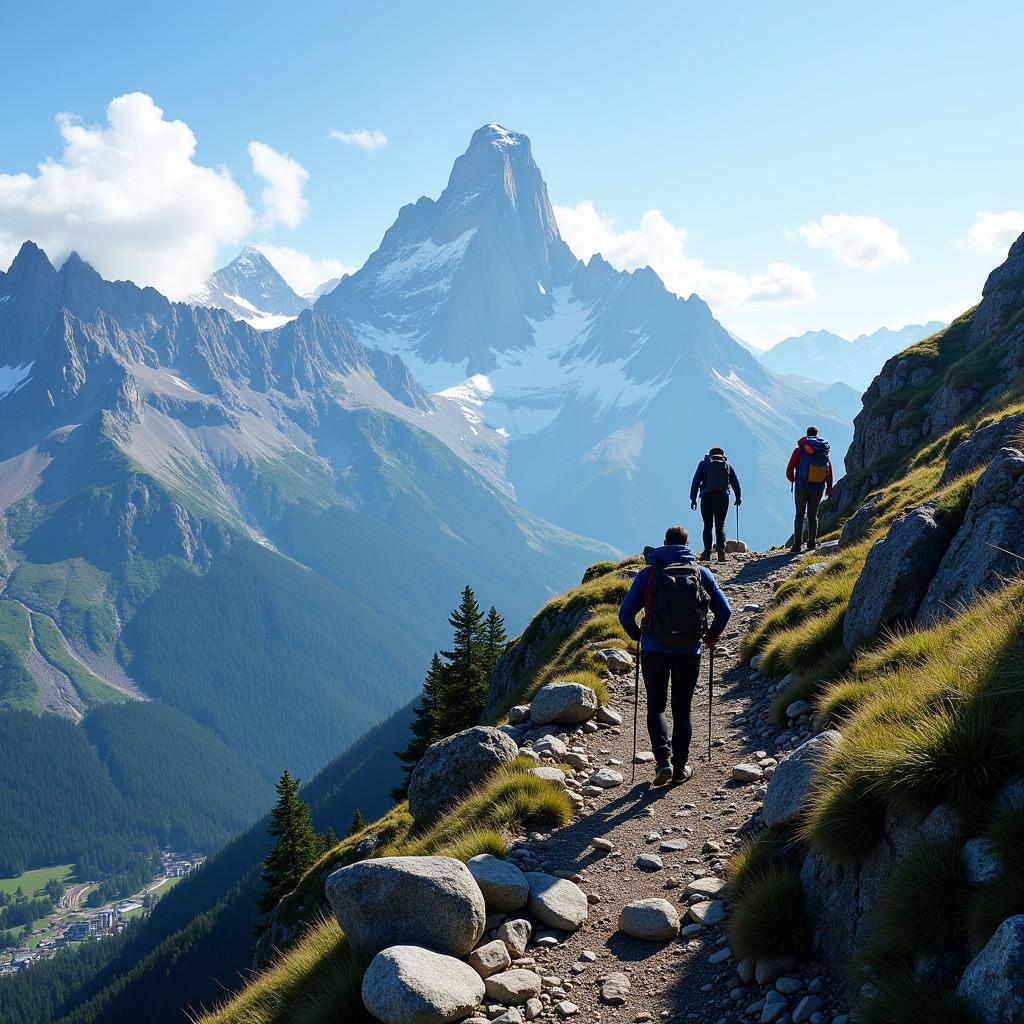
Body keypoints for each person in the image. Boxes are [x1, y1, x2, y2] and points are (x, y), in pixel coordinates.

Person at [617, 526, 732, 786]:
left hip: (654, 650)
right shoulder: (701, 573)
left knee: (656, 706)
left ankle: (662, 762)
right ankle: (680, 769)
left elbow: (625, 615)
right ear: (688, 545)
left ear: (665, 543)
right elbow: (725, 610)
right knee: (682, 709)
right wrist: (711, 636)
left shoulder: (647, 574)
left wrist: (639, 635)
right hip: (689, 650)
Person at [689, 447, 741, 562]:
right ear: (722, 455)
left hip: (707, 498)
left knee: (707, 526)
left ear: (710, 455)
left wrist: (693, 499)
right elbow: (735, 481)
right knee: (720, 526)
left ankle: (707, 553)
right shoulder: (727, 465)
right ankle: (721, 554)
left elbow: (696, 481)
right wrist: (738, 497)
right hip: (723, 498)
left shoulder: (703, 464)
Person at [786, 426, 833, 552]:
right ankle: (811, 543)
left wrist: (794, 480)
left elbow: (789, 469)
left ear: (807, 435)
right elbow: (829, 470)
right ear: (817, 435)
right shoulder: (824, 451)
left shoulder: (799, 450)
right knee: (813, 516)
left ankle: (797, 546)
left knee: (799, 515)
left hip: (802, 487)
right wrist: (828, 487)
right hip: (818, 488)